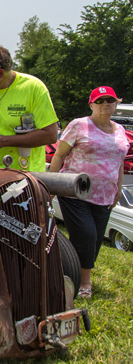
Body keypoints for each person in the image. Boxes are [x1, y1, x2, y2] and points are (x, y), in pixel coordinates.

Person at [49, 86, 129, 299]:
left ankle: (66, 271)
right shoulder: (79, 125)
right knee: (87, 235)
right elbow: (59, 156)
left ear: (116, 103)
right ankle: (85, 282)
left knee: (92, 242)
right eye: (100, 101)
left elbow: (119, 162)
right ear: (91, 104)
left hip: (105, 194)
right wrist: (50, 186)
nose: (105, 105)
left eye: (110, 101)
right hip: (75, 191)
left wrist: (118, 189)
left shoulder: (120, 130)